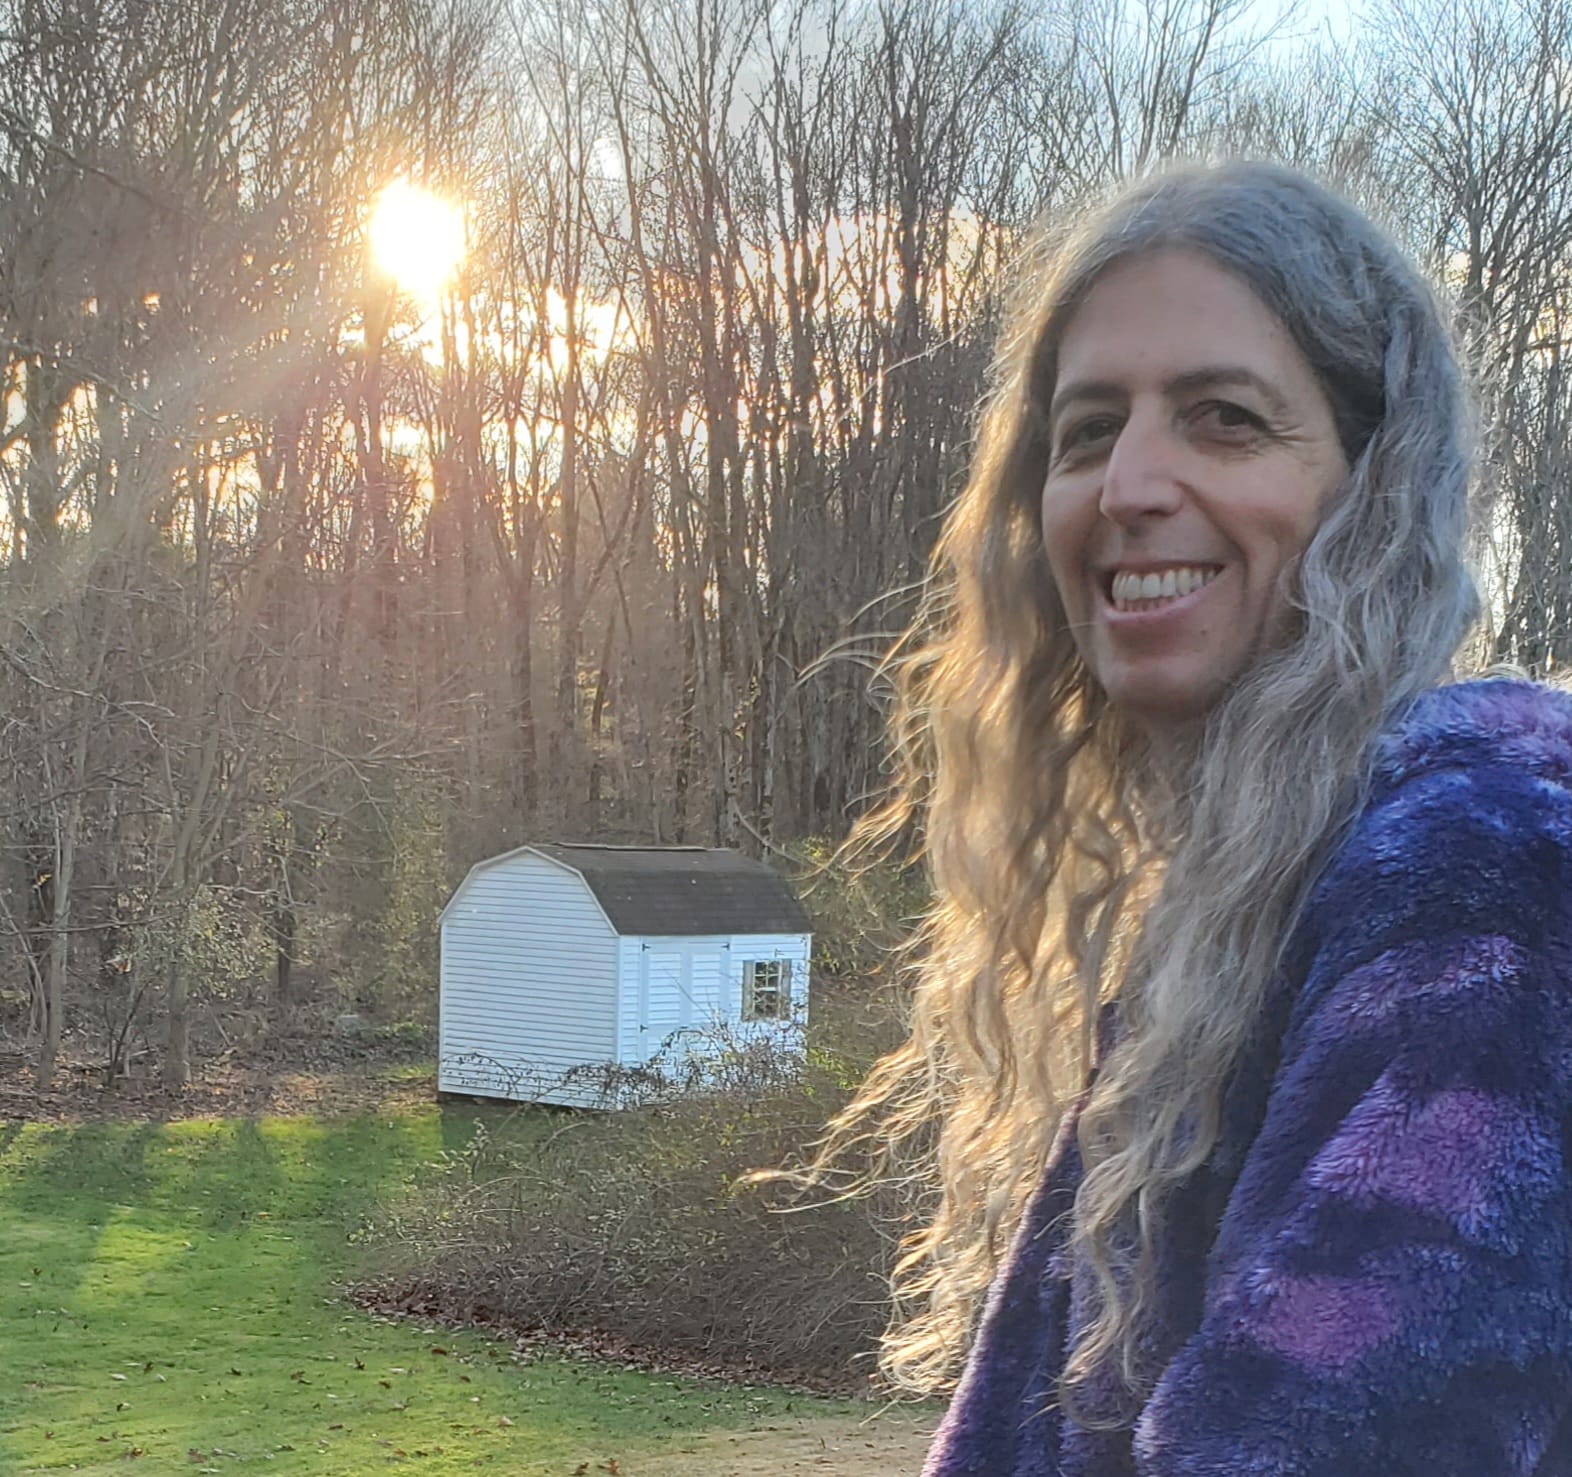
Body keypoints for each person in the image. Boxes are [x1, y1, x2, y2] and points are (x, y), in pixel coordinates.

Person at [836, 161, 1572, 1475]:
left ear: (1372, 486)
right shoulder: (1233, 916)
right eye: (1087, 430)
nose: (1128, 482)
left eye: (1222, 418)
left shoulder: (1480, 865)